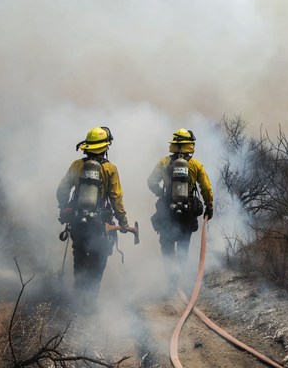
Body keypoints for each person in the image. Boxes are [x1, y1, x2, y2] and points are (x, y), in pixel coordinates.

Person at [56, 126, 129, 310]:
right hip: (100, 223)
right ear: (105, 147)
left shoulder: (77, 165)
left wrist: (63, 207)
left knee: (79, 253)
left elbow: (63, 189)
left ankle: (78, 292)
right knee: (98, 257)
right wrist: (123, 222)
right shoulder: (110, 169)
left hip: (78, 220)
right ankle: (90, 302)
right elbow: (116, 198)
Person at [147, 128, 213, 289]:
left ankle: (171, 278)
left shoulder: (164, 162)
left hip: (167, 211)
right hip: (187, 211)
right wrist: (209, 205)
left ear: (174, 145)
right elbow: (206, 187)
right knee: (184, 244)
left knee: (167, 245)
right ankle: (180, 275)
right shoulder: (195, 165)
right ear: (190, 145)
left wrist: (160, 193)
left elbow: (151, 181)